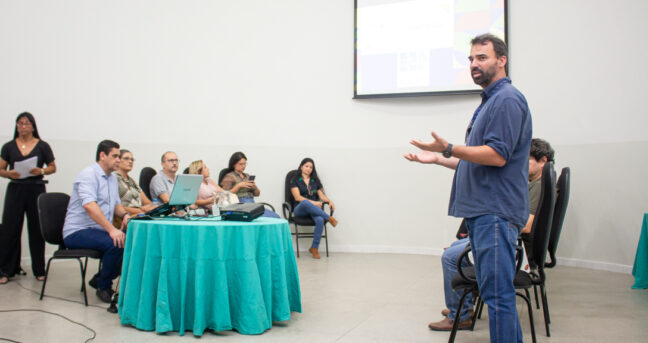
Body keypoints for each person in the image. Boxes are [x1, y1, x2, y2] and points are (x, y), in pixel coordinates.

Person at [404, 33, 532, 342]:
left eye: (482, 58)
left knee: (498, 297)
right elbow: (476, 160)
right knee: (494, 295)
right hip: (485, 213)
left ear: (501, 60)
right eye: (471, 59)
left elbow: (497, 156)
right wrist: (437, 158)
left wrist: (449, 147)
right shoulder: (491, 101)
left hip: (495, 212)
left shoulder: (506, 99)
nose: (474, 65)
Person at [428, 139, 554, 331]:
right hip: (513, 243)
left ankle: (460, 315)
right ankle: (463, 306)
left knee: (451, 257)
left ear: (543, 160)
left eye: (525, 160)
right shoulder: (535, 182)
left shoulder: (538, 186)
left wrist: (493, 224)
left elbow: (527, 225)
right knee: (456, 247)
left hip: (516, 251)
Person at [62, 140, 131, 303]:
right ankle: (104, 286)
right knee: (116, 242)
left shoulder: (112, 179)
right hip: (77, 231)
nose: (118, 160)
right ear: (102, 155)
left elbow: (117, 206)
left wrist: (125, 215)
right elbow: (90, 207)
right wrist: (112, 230)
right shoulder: (88, 175)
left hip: (97, 230)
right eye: (115, 156)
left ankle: (99, 278)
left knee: (131, 238)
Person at [0, 112, 57, 285]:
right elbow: (1, 169)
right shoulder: (9, 146)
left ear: (33, 126)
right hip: (16, 189)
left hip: (36, 189)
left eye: (26, 123)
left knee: (37, 230)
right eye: (20, 124)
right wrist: (8, 173)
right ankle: (6, 269)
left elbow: (52, 167)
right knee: (10, 229)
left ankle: (39, 269)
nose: (23, 127)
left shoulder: (42, 146)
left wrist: (41, 171)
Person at [290, 158, 338, 259]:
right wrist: (315, 203)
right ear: (301, 166)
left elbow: (321, 195)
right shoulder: (295, 180)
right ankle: (329, 218)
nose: (308, 169)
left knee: (320, 219)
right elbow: (297, 197)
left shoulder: (314, 180)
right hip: (300, 209)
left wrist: (329, 201)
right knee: (306, 202)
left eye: (311, 167)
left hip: (313, 210)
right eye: (306, 166)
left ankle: (314, 248)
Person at [220, 152, 280, 218]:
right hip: (240, 205)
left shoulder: (247, 176)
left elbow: (257, 194)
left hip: (252, 203)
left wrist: (254, 187)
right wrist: (238, 186)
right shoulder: (229, 177)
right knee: (264, 218)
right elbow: (224, 195)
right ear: (234, 164)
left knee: (276, 217)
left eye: (245, 164)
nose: (243, 166)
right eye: (241, 164)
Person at [113, 149, 157, 225]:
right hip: (123, 218)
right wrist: (140, 210)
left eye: (132, 159)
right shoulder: (113, 179)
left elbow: (147, 202)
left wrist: (150, 207)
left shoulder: (132, 181)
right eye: (126, 158)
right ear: (118, 160)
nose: (130, 161)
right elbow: (115, 207)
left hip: (139, 215)